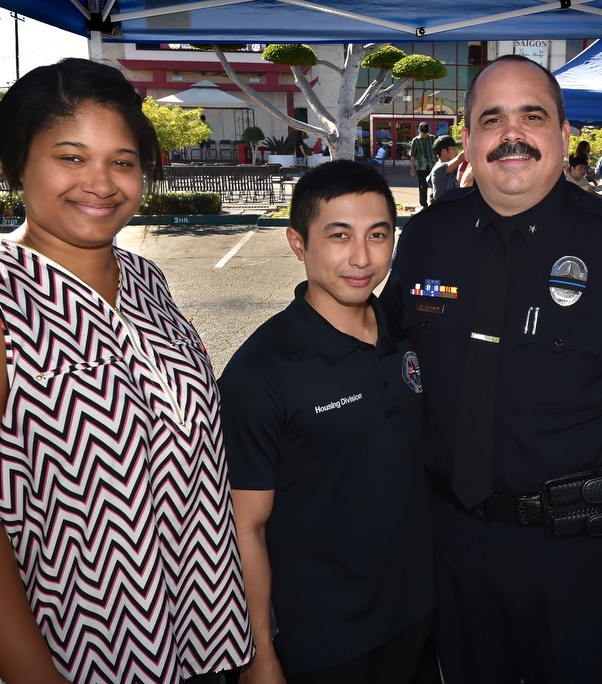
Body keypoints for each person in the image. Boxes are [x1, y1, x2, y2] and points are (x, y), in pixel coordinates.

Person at [383, 53, 602, 684]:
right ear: (468, 139)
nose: (511, 134)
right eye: (492, 118)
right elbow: (381, 357)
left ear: (565, 136)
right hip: (450, 546)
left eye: (532, 116)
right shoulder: (427, 237)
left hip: (575, 558)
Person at [0, 58, 254, 683]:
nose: (101, 183)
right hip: (72, 651)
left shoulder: (146, 281)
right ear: (17, 165)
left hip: (198, 638)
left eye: (123, 161)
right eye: (71, 157)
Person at [221, 160, 435, 683]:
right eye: (339, 236)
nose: (361, 258)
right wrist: (260, 653)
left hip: (418, 615)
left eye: (378, 235)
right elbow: (243, 527)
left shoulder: (406, 334)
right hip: (324, 639)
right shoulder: (262, 370)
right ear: (299, 243)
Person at [409, 121, 436, 209]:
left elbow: (438, 151)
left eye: (426, 133)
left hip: (433, 165)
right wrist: (412, 168)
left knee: (434, 183)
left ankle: (433, 200)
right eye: (423, 133)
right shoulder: (415, 140)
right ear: (419, 131)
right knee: (422, 185)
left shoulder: (433, 138)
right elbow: (413, 155)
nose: (425, 135)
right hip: (421, 166)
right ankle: (423, 203)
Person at [429, 134, 462, 204]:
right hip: (443, 211)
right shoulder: (439, 168)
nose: (456, 151)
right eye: (453, 148)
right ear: (444, 151)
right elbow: (461, 158)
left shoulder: (451, 167)